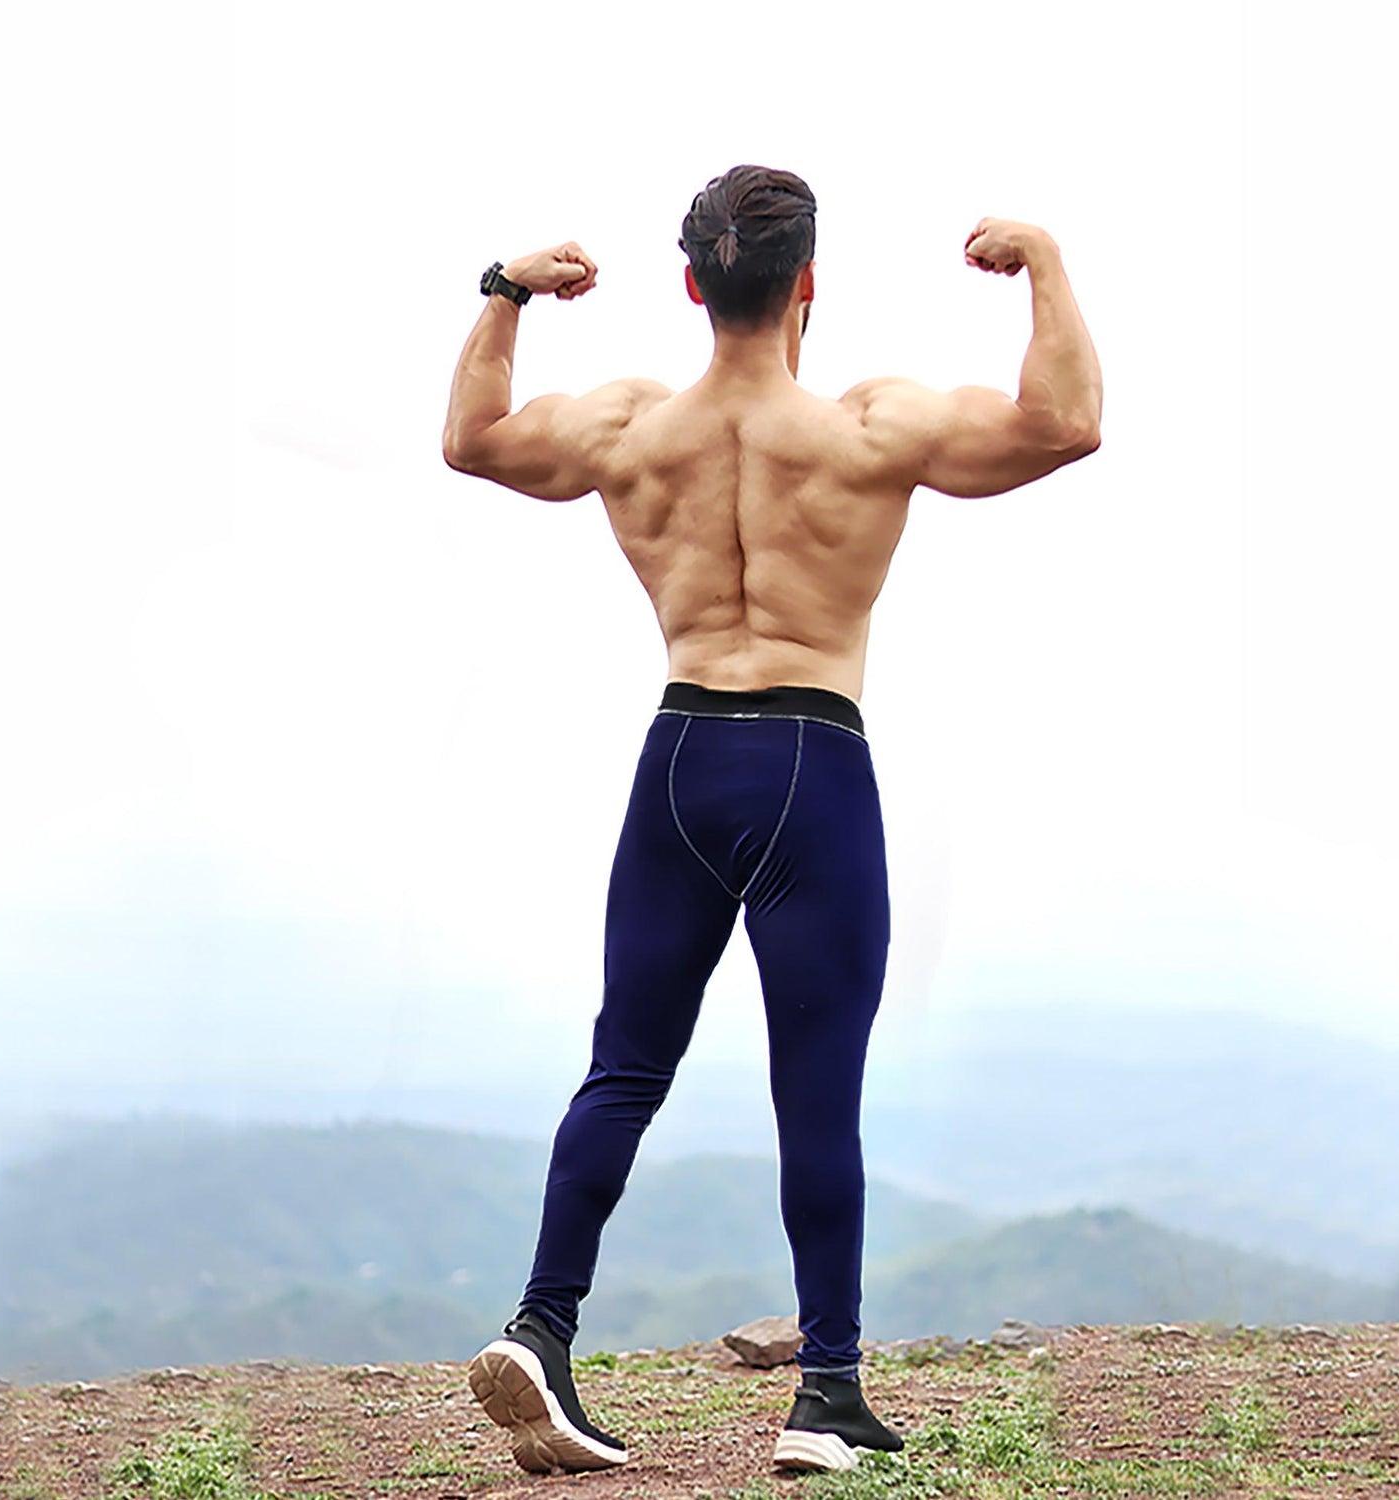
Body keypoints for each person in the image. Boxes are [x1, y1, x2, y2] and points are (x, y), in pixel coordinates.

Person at [441, 163, 1102, 1476]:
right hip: (812, 761)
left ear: (693, 286)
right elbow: (1064, 422)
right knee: (818, 1092)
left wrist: (506, 290)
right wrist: (1044, 261)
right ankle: (828, 1395)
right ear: (806, 284)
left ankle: (541, 1328)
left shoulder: (629, 428)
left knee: (624, 1067)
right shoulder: (869, 428)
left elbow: (474, 437)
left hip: (681, 757)